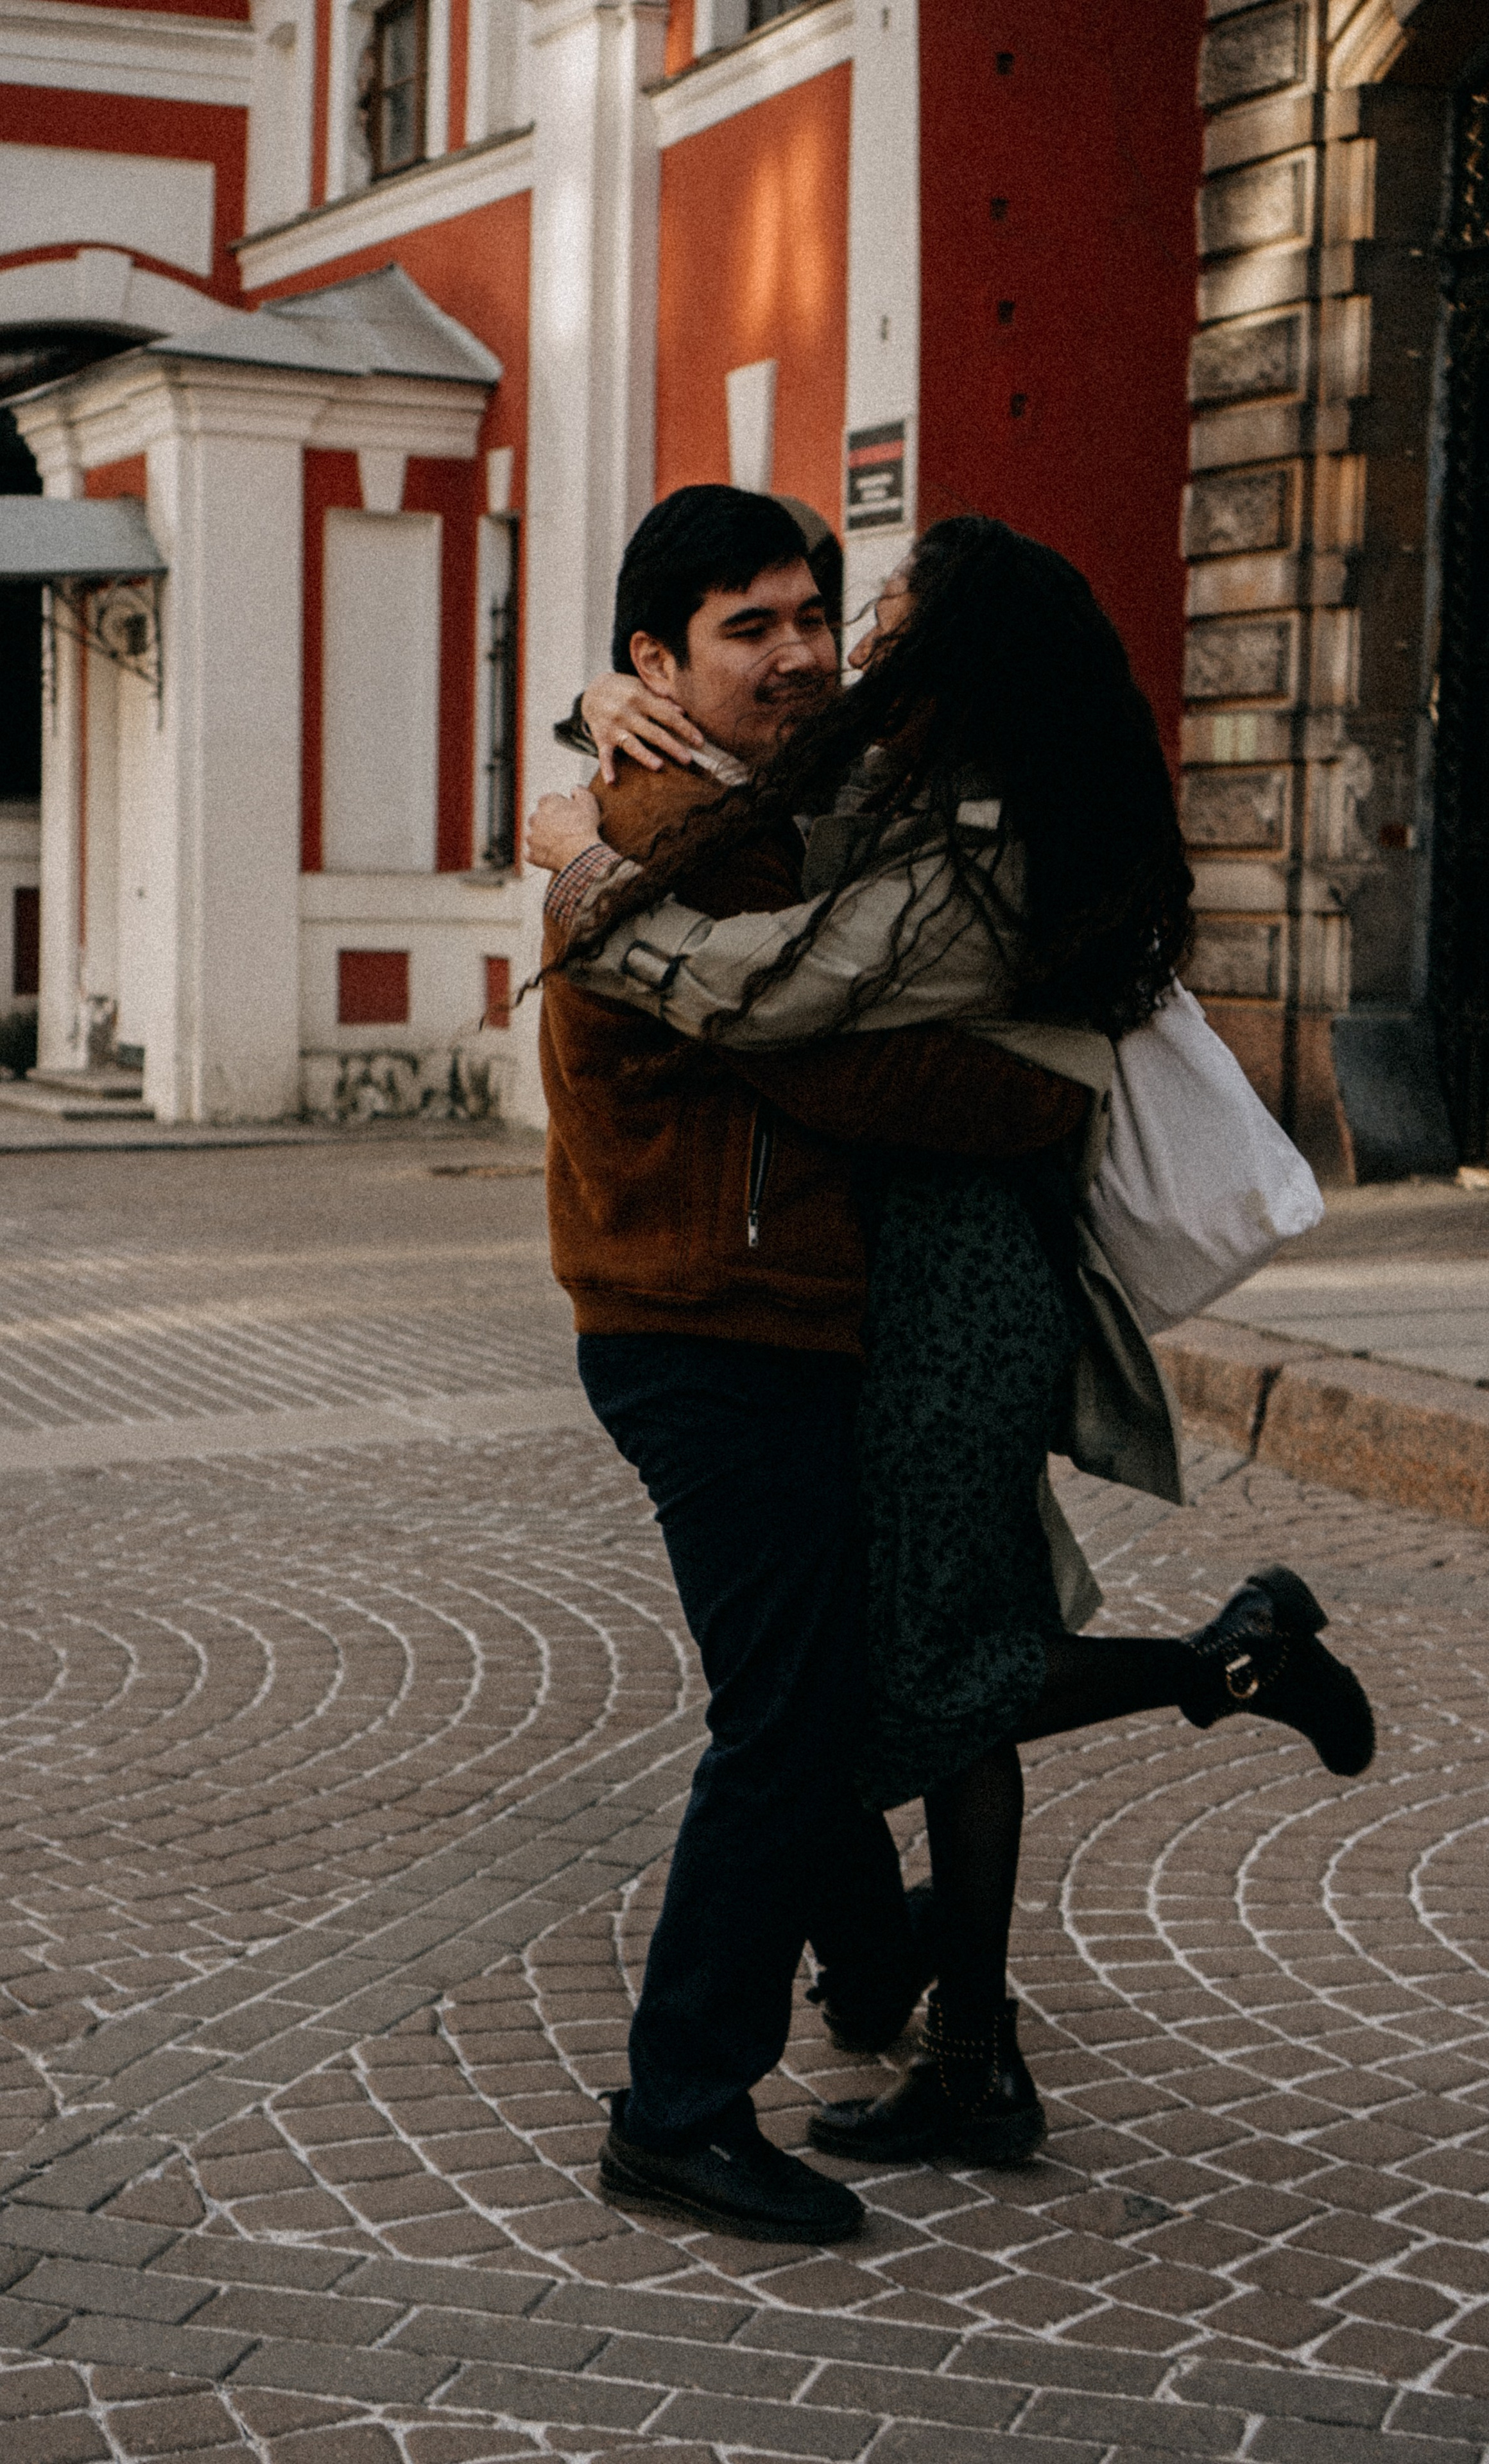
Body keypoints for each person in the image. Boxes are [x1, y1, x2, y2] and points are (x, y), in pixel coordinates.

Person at [531, 513, 1377, 2168]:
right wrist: (590, 716)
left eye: (864, 623)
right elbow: (723, 782)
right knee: (902, 1661)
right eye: (779, 626)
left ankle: (1210, 1682)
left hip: (950, 1282)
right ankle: (945, 2022)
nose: (833, 653)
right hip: (859, 1282)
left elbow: (780, 1009)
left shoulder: (970, 834)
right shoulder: (901, 787)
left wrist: (583, 870)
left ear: (950, 661)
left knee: (915, 1669)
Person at [533, 486, 1095, 2241]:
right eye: (745, 629)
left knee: (823, 1680)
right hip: (714, 1325)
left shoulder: (727, 800)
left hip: (746, 1317)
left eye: (806, 617)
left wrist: (568, 726)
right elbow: (849, 1071)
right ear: (658, 659)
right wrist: (1044, 1090)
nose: (794, 655)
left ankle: (870, 1961)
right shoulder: (692, 835)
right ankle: (679, 2104)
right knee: (783, 1723)